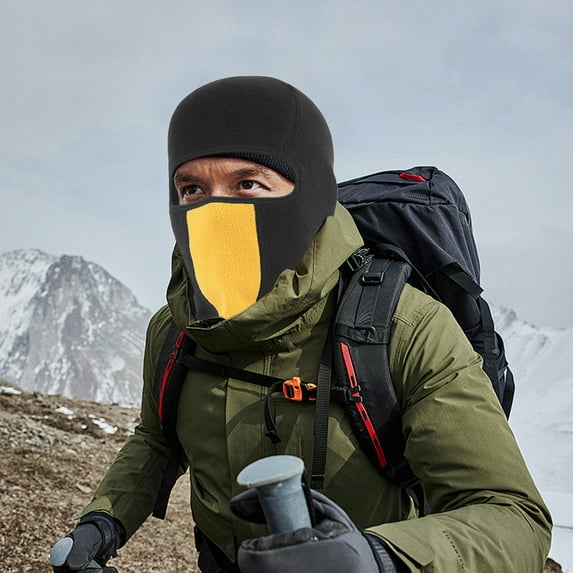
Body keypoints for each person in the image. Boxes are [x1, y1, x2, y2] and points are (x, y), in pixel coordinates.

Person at [51, 76, 552, 572]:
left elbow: (512, 515)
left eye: (248, 184)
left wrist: (375, 559)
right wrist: (105, 520)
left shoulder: (404, 327)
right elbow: (157, 439)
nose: (214, 210)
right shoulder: (175, 329)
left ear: (310, 193)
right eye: (192, 189)